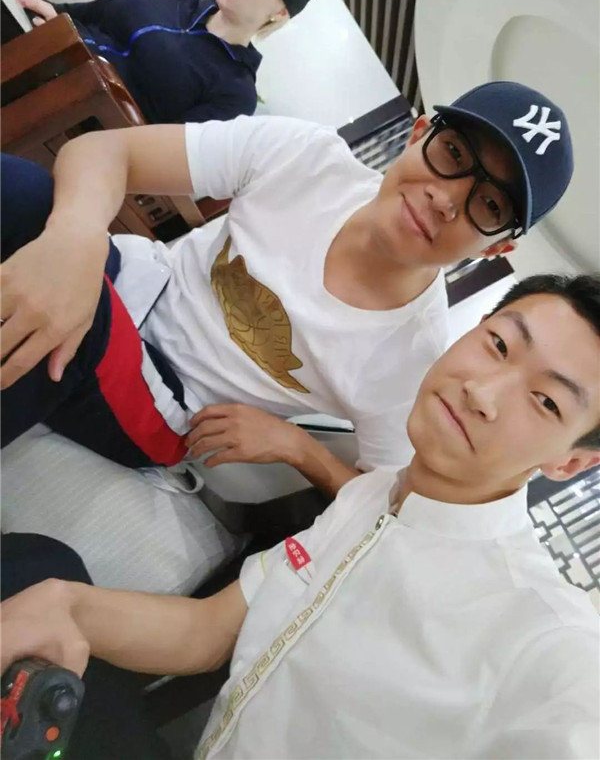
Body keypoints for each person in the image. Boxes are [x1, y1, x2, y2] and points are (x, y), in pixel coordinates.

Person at [2, 273, 599, 760]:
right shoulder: (375, 495)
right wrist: (67, 608)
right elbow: (208, 632)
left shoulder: (549, 639)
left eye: (546, 401)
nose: (482, 393)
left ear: (569, 461)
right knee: (38, 567)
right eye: (498, 344)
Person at [0, 81, 574, 498]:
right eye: (454, 154)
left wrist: (299, 450)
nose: (446, 199)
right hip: (131, 279)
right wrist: (73, 241)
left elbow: (386, 503)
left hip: (165, 406)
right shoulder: (307, 158)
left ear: (495, 248)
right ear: (419, 133)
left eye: (489, 205)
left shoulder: (412, 360)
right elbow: (106, 151)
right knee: (24, 190)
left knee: (82, 328)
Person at [8, 0, 321, 123]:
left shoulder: (236, 92)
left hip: (58, 120)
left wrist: (72, 49)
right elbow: (76, 14)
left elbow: (146, 152)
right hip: (33, 53)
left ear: (281, 12)